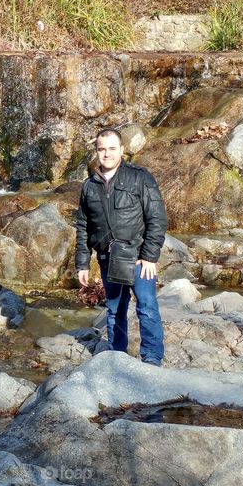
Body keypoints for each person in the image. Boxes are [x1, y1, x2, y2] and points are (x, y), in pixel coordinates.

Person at [74, 128, 167, 366]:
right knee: (115, 309)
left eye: (112, 148)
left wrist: (149, 256)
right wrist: (82, 263)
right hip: (107, 257)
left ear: (122, 150)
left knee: (146, 307)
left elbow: (157, 218)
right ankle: (117, 358)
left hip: (137, 257)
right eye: (102, 149)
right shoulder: (89, 186)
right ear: (96, 151)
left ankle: (152, 358)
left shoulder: (140, 177)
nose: (107, 154)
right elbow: (84, 226)